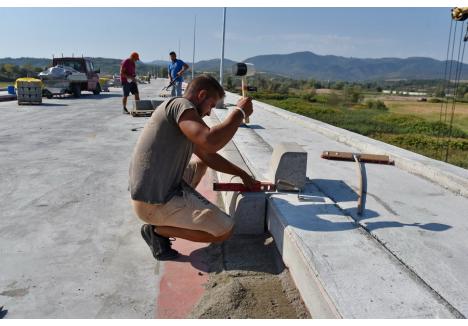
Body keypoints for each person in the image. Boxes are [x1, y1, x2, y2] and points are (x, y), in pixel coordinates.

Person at [129, 74, 257, 261]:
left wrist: (241, 174)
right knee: (224, 231)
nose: (209, 112)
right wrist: (240, 112)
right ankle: (157, 231)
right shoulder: (181, 106)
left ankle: (180, 209)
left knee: (200, 163)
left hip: (155, 191)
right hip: (152, 203)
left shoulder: (181, 116)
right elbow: (211, 141)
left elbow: (208, 155)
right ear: (201, 95)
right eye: (211, 105)